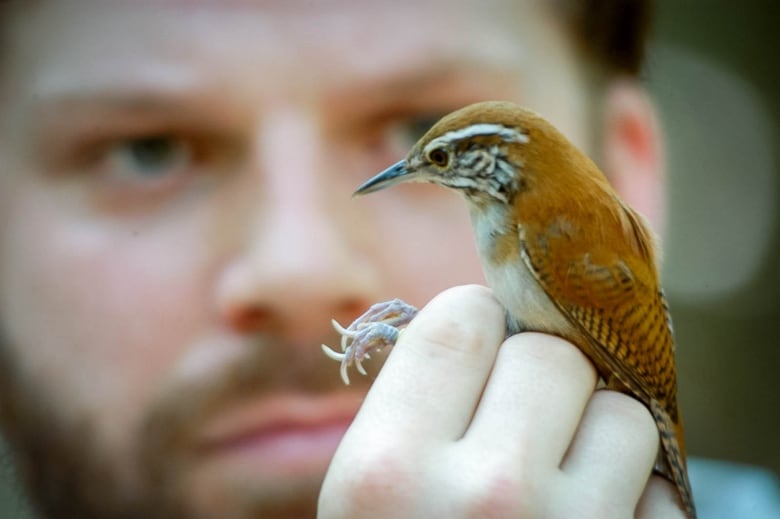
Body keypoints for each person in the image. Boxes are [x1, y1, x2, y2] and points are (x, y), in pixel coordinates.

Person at [0, 1, 777, 518]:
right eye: (148, 150)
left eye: (416, 133)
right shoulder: (506, 217)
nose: (299, 273)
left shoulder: (555, 227)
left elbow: (621, 357)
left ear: (632, 175)